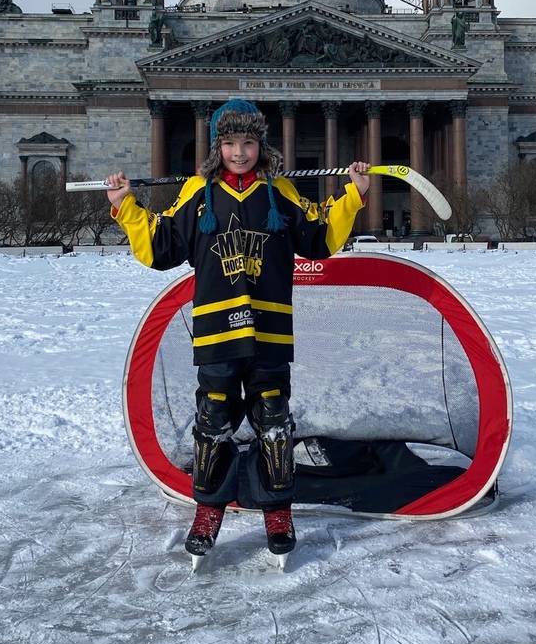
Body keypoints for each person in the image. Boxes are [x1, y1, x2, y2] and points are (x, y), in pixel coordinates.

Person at [105, 99, 371, 562]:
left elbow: (321, 238)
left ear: (260, 144)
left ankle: (277, 512)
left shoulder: (279, 191)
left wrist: (354, 194)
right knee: (212, 427)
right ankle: (208, 512)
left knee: (273, 426)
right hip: (216, 334)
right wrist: (125, 207)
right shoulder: (198, 192)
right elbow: (163, 246)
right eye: (230, 143)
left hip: (268, 332)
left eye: (248, 142)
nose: (240, 152)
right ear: (218, 147)